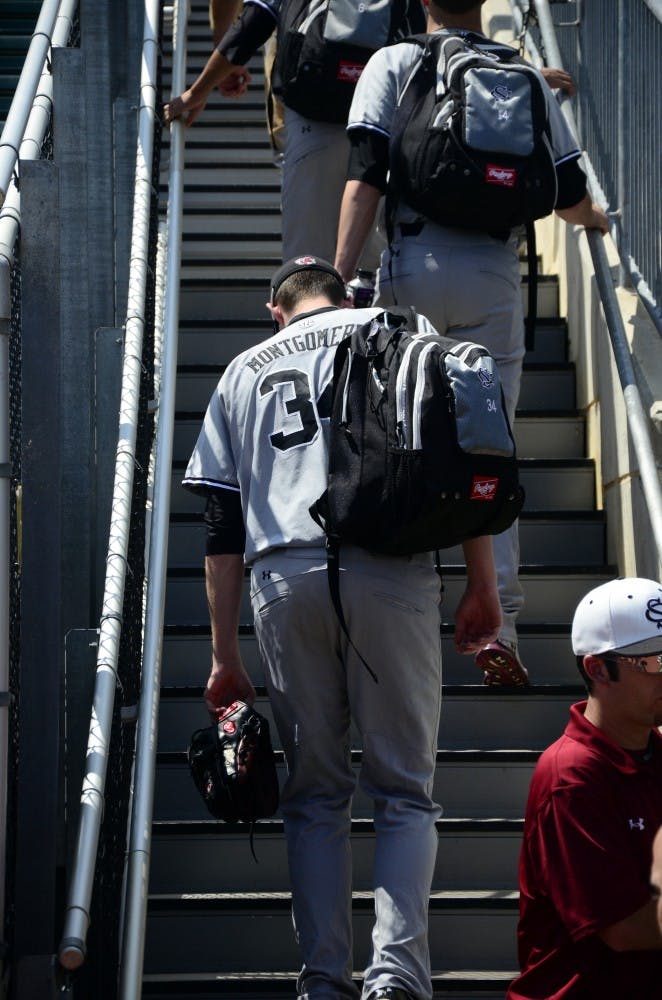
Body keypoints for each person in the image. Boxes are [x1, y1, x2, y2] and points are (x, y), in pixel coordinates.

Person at [182, 255, 502, 1000]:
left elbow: (221, 527)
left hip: (281, 578)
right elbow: (464, 460)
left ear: (276, 310)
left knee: (317, 794)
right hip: (390, 567)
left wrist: (225, 655)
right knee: (403, 793)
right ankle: (395, 979)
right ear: (346, 294)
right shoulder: (398, 327)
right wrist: (482, 585)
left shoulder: (241, 370)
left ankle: (323, 981)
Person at [333, 0, 610, 686]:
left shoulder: (394, 63)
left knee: (404, 439)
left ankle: (403, 621)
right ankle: (499, 623)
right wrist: (598, 221)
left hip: (414, 268)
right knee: (491, 443)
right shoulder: (526, 77)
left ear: (422, 2)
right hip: (493, 276)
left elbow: (366, 174)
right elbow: (568, 187)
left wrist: (334, 280)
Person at [164, 0, 426, 264]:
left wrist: (197, 91)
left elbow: (257, 18)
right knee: (376, 261)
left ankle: (315, 297)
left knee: (309, 261)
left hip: (314, 107)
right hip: (387, 118)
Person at [507, 576, 662, 999]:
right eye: (653, 663)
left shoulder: (652, 751)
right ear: (597, 669)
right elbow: (624, 930)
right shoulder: (570, 776)